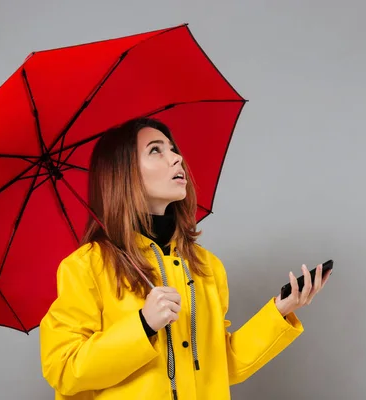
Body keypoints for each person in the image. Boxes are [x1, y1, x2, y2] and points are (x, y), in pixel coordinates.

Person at [39, 117, 331, 400]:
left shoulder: (206, 267)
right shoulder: (86, 267)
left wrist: (280, 311)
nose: (177, 158)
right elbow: (63, 368)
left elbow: (220, 366)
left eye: (172, 149)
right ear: (123, 173)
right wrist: (143, 325)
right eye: (156, 150)